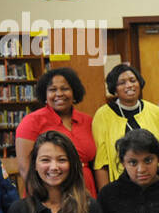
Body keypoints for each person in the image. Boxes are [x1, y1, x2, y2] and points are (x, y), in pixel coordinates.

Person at [15, 66, 98, 198]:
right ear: (45, 94)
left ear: (74, 92)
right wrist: (44, 200)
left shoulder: (88, 121)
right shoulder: (31, 122)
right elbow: (25, 169)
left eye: (65, 89)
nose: (59, 94)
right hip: (48, 193)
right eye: (53, 90)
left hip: (85, 190)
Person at [93, 63, 159, 190]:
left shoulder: (154, 111)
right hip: (120, 186)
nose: (129, 85)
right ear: (114, 89)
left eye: (133, 80)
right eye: (122, 82)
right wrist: (105, 195)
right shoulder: (103, 115)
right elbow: (101, 162)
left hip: (156, 182)